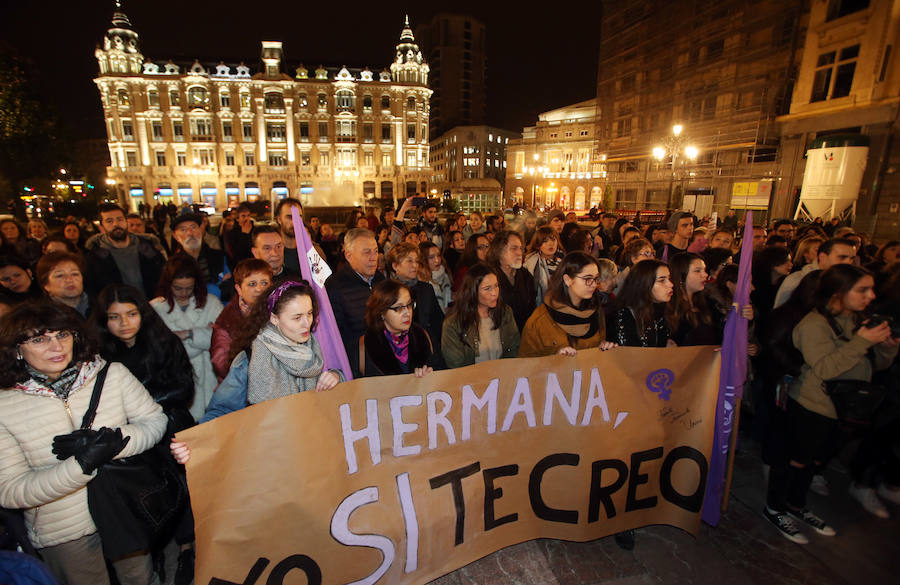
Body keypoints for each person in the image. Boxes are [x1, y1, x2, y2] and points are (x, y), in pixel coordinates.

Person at [0, 300, 167, 585]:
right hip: (63, 528)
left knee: (141, 579)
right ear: (17, 348)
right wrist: (82, 466)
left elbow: (155, 421)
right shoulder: (5, 405)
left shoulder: (110, 374)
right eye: (40, 339)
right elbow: (10, 490)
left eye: (62, 334)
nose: (56, 347)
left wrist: (112, 443)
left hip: (123, 506)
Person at [764, 265, 899, 541]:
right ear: (839, 292)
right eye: (862, 290)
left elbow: (874, 365)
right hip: (812, 405)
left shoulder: (857, 319)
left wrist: (886, 347)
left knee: (814, 462)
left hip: (845, 410)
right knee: (794, 461)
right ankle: (775, 508)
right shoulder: (813, 324)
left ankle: (796, 505)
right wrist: (861, 342)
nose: (870, 296)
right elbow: (825, 368)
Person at [92, 284, 198, 582]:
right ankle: (160, 555)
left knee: (182, 497)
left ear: (143, 314)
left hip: (171, 431)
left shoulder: (163, 342)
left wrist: (143, 410)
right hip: (130, 441)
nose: (124, 323)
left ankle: (185, 553)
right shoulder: (99, 355)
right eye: (114, 317)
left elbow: (184, 388)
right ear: (103, 320)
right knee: (147, 504)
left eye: (131, 314)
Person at [171, 282, 342, 467]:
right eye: (297, 317)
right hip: (270, 460)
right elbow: (222, 409)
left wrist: (337, 376)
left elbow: (333, 397)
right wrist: (195, 443)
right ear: (275, 319)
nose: (306, 323)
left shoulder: (313, 350)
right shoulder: (251, 359)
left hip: (312, 454)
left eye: (309, 313)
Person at [151, 255, 223, 421]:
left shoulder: (211, 303)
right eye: (178, 288)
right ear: (168, 285)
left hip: (209, 378)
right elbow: (160, 347)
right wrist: (203, 335)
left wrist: (187, 334)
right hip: (175, 379)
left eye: (189, 288)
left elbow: (221, 339)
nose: (183, 293)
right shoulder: (156, 308)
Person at [519, 251, 617, 357]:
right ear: (567, 280)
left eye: (596, 278)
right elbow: (525, 364)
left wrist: (603, 348)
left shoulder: (596, 311)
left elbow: (598, 345)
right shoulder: (541, 320)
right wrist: (554, 359)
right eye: (587, 279)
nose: (593, 285)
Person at [326, 228, 385, 368]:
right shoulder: (334, 287)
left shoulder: (381, 280)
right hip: (357, 365)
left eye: (376, 251)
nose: (373, 257)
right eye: (366, 252)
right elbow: (334, 337)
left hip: (386, 358)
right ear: (348, 255)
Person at [442, 263, 520, 368]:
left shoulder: (505, 313)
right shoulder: (453, 324)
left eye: (496, 286)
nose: (494, 293)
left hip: (503, 375)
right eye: (487, 288)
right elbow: (456, 365)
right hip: (471, 380)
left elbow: (514, 348)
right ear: (473, 291)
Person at [358, 279, 441, 377]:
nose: (407, 313)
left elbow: (440, 370)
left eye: (409, 305)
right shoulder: (368, 344)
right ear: (381, 312)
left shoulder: (422, 335)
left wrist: (430, 374)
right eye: (398, 308)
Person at [84, 204, 166, 300]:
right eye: (109, 221)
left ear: (126, 222)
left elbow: (164, 277)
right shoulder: (95, 257)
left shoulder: (148, 249)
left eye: (119, 219)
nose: (116, 224)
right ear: (101, 227)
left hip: (151, 305)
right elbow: (92, 290)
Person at [210, 259, 273, 382]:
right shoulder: (227, 321)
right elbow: (221, 364)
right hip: (244, 388)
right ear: (238, 289)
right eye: (252, 284)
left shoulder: (280, 309)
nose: (259, 289)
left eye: (264, 283)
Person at [386, 243, 444, 358]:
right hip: (397, 352)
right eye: (409, 261)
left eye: (416, 261)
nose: (415, 266)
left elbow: (438, 321)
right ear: (395, 266)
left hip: (427, 347)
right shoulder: (387, 292)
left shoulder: (426, 289)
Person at [774, 237, 857, 308]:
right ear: (822, 257)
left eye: (852, 258)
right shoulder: (797, 280)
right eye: (842, 257)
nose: (848, 262)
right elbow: (780, 313)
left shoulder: (851, 281)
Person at [610, 259, 673, 347]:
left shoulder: (662, 310)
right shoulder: (624, 315)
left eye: (669, 278)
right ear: (644, 283)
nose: (671, 284)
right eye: (662, 280)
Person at [484, 230, 536, 332]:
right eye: (513, 248)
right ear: (499, 251)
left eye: (521, 248)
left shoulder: (525, 275)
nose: (519, 253)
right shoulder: (487, 276)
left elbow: (531, 307)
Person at [169, 213, 226, 298]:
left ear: (201, 230)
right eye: (183, 230)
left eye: (193, 227)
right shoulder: (173, 266)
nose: (190, 233)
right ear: (175, 236)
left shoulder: (218, 256)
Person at [667, 253, 718, 346]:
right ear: (681, 275)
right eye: (697, 271)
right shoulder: (669, 307)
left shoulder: (708, 302)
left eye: (704, 270)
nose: (705, 275)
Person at [35, 252, 90, 317]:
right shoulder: (42, 316)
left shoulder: (99, 304)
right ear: (46, 285)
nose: (69, 280)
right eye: (60, 275)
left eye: (75, 274)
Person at [524, 226, 565, 306]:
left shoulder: (563, 263)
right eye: (545, 241)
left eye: (553, 239)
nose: (551, 244)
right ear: (538, 245)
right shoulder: (530, 265)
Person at [752, 246, 793, 319]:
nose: (790, 265)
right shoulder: (755, 287)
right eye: (786, 261)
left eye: (790, 261)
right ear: (773, 262)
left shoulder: (788, 285)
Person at [419, 242, 452, 313]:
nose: (437, 260)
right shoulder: (422, 281)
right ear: (423, 259)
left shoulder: (445, 276)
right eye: (431, 257)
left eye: (438, 255)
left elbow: (449, 301)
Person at [224, 203, 254, 269]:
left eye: (248, 216)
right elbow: (236, 253)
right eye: (243, 216)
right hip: (240, 265)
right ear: (237, 219)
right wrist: (244, 235)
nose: (246, 218)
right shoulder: (232, 233)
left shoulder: (255, 230)